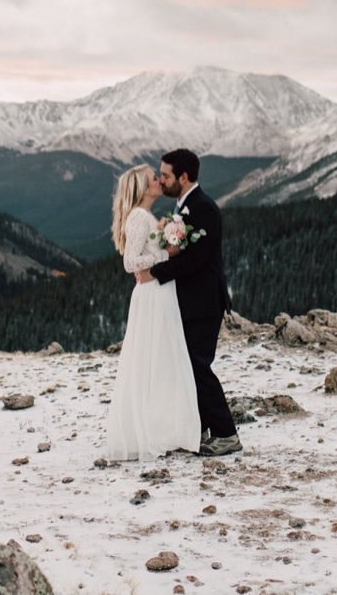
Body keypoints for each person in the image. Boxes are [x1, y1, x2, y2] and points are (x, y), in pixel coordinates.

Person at [137, 148, 241, 456]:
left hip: (204, 302)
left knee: (197, 367)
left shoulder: (203, 208)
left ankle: (226, 434)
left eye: (166, 175)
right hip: (188, 301)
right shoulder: (185, 207)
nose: (162, 180)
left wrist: (154, 271)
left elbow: (196, 260)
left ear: (183, 177)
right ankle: (200, 428)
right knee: (188, 366)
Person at [104, 164, 201, 461]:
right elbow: (130, 262)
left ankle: (163, 428)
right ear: (143, 188)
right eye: (153, 179)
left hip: (160, 292)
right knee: (151, 359)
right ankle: (148, 432)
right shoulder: (137, 218)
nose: (159, 181)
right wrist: (166, 254)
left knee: (162, 359)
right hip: (151, 295)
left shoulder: (146, 217)